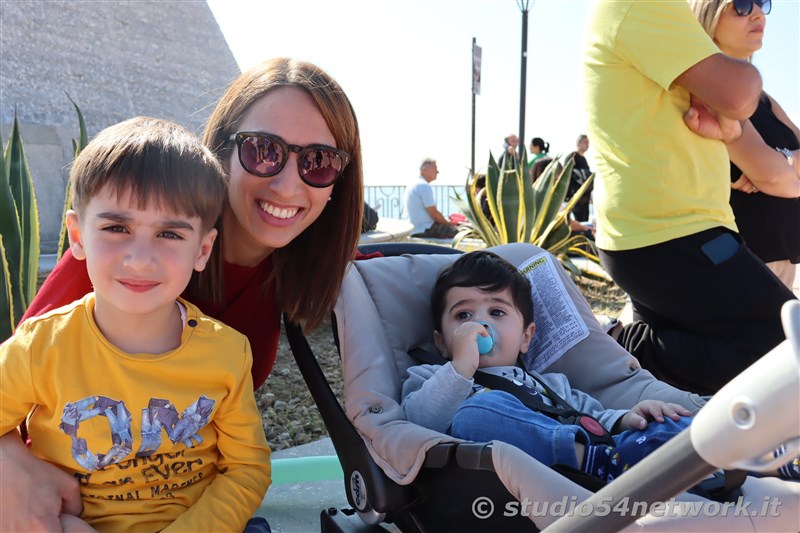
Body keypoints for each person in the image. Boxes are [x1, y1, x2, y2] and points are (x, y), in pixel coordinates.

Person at [1, 57, 364, 531]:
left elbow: (243, 464)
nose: (287, 182)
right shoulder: (112, 262)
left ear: (339, 180)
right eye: (263, 150)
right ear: (222, 151)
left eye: (318, 161)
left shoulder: (300, 266)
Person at [0, 117, 271, 531]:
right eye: (116, 228)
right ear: (77, 235)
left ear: (202, 249)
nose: (141, 258)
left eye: (169, 234)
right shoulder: (41, 347)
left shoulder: (227, 352)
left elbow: (247, 468)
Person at [401, 251, 800, 483]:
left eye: (497, 312)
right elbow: (421, 421)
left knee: (665, 420)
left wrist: (627, 418)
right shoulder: (431, 376)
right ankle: (601, 459)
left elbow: (589, 413)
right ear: (440, 338)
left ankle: (759, 453)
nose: (480, 323)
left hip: (605, 451)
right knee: (477, 414)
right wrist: (458, 368)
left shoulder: (548, 383)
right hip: (538, 468)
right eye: (463, 315)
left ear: (526, 337)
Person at [583, 0, 797, 395]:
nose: (757, 14)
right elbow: (739, 94)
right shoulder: (642, 6)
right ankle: (622, 349)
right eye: (741, 5)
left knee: (704, 386)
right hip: (669, 231)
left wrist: (734, 129)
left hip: (678, 231)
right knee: (787, 350)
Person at [690, 0, 800, 289]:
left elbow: (776, 175)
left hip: (782, 256)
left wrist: (779, 161)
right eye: (740, 5)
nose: (757, 12)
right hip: (741, 261)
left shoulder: (764, 99)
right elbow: (779, 180)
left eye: (762, 2)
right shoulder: (707, 89)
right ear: (709, 15)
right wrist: (784, 167)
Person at [403, 158, 458, 239]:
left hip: (413, 229)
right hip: (423, 229)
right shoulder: (423, 185)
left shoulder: (413, 184)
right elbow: (434, 213)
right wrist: (448, 223)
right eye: (435, 168)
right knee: (459, 233)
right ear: (425, 168)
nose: (437, 172)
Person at [565, 134, 593, 224]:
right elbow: (567, 174)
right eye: (585, 142)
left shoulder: (584, 159)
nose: (587, 144)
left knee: (584, 220)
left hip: (585, 197)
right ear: (578, 143)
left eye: (588, 142)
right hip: (576, 196)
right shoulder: (573, 156)